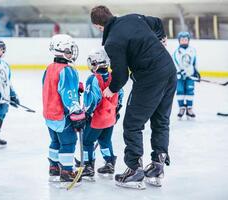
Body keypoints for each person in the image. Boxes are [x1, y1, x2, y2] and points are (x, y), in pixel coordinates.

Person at [90, 5, 177, 189]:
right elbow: (158, 22)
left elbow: (120, 74)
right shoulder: (133, 18)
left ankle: (134, 170)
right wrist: (161, 39)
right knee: (161, 120)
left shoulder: (112, 41)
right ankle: (157, 167)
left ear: (98, 26)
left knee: (132, 124)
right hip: (169, 70)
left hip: (149, 77)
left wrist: (111, 90)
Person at [43, 34, 86, 187]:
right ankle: (67, 172)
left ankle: (54, 168)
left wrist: (76, 86)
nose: (71, 53)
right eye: (69, 50)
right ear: (62, 50)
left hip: (49, 115)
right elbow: (69, 95)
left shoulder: (49, 68)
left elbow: (53, 88)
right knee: (68, 142)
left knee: (55, 141)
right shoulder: (68, 70)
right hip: (62, 115)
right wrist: (77, 113)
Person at [81, 47, 123, 181]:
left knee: (87, 141)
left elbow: (93, 99)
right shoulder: (114, 77)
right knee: (105, 140)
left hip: (97, 119)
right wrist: (116, 111)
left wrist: (86, 114)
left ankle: (88, 166)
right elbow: (120, 94)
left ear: (95, 63)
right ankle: (109, 162)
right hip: (110, 117)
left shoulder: (92, 79)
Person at [173, 31, 200, 119]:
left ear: (188, 40)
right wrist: (179, 71)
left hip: (190, 75)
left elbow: (194, 62)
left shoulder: (192, 50)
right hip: (180, 76)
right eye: (182, 40)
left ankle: (189, 109)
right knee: (180, 91)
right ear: (179, 41)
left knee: (190, 92)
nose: (184, 41)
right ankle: (181, 108)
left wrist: (196, 72)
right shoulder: (176, 52)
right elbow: (175, 63)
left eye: (186, 39)